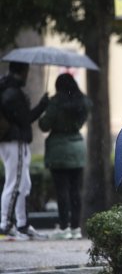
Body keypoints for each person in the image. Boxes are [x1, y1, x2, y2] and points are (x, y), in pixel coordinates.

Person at [0, 61, 49, 240]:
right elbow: (25, 119)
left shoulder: (7, 88)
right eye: (27, 70)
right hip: (16, 142)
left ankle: (22, 224)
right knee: (14, 183)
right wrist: (42, 105)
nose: (28, 75)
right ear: (23, 71)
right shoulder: (13, 93)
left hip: (11, 142)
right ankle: (5, 224)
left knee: (23, 184)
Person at [39, 73, 91, 240]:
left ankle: (63, 227)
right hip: (77, 149)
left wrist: (44, 105)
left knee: (62, 191)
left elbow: (44, 125)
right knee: (75, 191)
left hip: (59, 150)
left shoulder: (56, 103)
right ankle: (76, 227)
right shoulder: (82, 102)